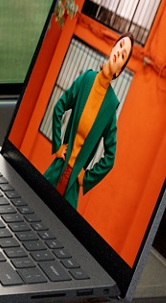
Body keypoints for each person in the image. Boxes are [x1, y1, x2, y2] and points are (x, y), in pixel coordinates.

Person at [42, 34, 132, 209]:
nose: (119, 52)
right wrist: (57, 146)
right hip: (58, 167)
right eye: (120, 46)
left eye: (123, 55)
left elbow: (110, 157)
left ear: (119, 71)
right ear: (112, 47)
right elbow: (59, 107)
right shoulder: (86, 79)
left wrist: (86, 177)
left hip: (73, 183)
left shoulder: (111, 104)